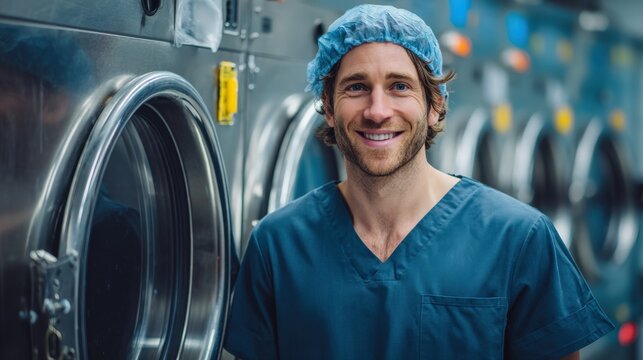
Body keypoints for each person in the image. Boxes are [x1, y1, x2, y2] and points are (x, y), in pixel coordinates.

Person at [223, 4, 613, 359]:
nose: (377, 111)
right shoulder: (278, 244)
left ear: (435, 105)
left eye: (400, 86)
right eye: (356, 87)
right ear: (328, 106)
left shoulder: (519, 239)